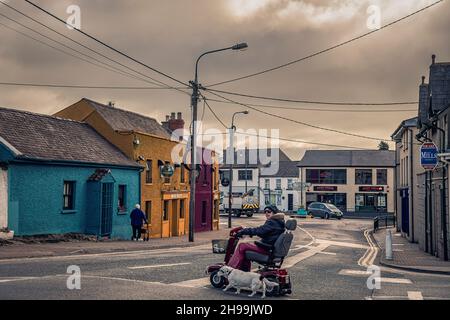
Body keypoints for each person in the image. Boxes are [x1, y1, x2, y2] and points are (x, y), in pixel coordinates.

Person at [227, 205, 285, 271]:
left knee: (242, 246)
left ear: (274, 213)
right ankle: (245, 273)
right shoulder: (279, 223)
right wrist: (250, 233)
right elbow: (265, 233)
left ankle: (229, 269)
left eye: (269, 211)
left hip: (266, 249)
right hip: (270, 249)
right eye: (265, 211)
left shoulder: (272, 222)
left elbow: (259, 230)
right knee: (246, 250)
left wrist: (244, 231)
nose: (266, 213)